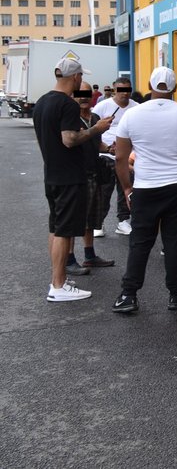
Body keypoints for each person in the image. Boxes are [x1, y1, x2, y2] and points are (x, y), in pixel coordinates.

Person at [111, 67, 177, 314]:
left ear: (149, 84)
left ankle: (128, 295)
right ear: (175, 88)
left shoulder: (132, 115)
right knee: (174, 240)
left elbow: (121, 157)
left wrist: (126, 188)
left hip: (146, 186)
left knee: (140, 241)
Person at [33, 58, 113, 302]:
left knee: (56, 229)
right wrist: (97, 129)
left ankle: (58, 279)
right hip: (68, 177)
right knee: (64, 232)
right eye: (80, 76)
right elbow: (69, 139)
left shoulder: (42, 102)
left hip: (53, 174)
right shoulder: (67, 105)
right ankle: (58, 286)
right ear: (76, 77)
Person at [73, 81, 115, 270]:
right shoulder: (70, 118)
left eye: (87, 93)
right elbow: (72, 141)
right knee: (75, 219)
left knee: (91, 218)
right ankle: (69, 259)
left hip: (94, 172)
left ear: (92, 96)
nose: (83, 97)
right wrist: (96, 129)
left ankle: (90, 255)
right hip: (77, 176)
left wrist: (109, 149)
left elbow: (96, 142)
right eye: (79, 93)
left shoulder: (95, 117)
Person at [92, 77, 136, 236]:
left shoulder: (136, 108)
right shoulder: (101, 107)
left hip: (127, 156)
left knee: (126, 189)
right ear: (114, 89)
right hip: (105, 155)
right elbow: (93, 128)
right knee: (104, 191)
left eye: (128, 90)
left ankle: (123, 221)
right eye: (121, 90)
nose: (124, 94)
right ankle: (98, 223)